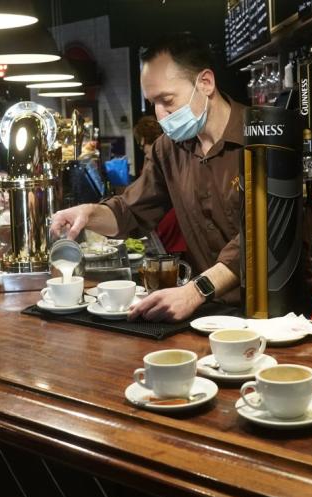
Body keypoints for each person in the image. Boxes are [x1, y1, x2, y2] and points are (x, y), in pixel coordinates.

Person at [51, 33, 244, 322]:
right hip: (212, 313)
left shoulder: (264, 136)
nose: (160, 115)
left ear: (205, 83)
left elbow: (263, 236)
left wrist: (195, 291)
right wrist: (90, 213)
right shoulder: (168, 149)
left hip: (271, 311)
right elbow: (131, 211)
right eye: (152, 103)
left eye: (167, 100)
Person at [133, 115, 187, 255]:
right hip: (180, 223)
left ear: (143, 139)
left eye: (140, 145)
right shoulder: (174, 151)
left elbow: (146, 193)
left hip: (167, 224)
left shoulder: (152, 157)